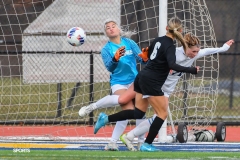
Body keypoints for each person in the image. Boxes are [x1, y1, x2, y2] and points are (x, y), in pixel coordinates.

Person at [93, 16, 199, 152]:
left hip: (141, 77)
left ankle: (106, 118)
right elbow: (172, 64)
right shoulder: (170, 46)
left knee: (138, 113)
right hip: (151, 82)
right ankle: (147, 144)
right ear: (181, 30)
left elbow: (147, 58)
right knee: (162, 114)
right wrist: (192, 69)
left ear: (167, 28)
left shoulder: (157, 40)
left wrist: (145, 58)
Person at [119, 33, 234, 151]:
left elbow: (208, 51)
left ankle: (130, 136)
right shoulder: (174, 52)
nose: (195, 54)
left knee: (155, 116)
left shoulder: (194, 54)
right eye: (193, 51)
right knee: (158, 115)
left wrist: (223, 48)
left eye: (197, 52)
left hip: (165, 89)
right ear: (185, 47)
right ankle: (136, 139)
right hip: (156, 85)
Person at [78, 18, 148, 151]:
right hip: (118, 83)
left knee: (141, 113)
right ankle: (112, 142)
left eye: (113, 26)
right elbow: (110, 67)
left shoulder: (129, 42)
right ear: (106, 33)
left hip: (134, 81)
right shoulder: (106, 49)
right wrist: (115, 58)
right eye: (107, 27)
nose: (111, 28)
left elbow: (142, 60)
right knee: (127, 112)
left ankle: (141, 142)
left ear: (118, 29)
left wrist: (145, 57)